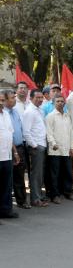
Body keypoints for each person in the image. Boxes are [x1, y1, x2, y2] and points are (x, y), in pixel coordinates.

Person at [46, 94, 73, 203]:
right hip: (55, 150)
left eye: (62, 101)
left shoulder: (67, 116)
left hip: (67, 149)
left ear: (64, 103)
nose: (60, 103)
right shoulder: (50, 116)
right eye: (58, 101)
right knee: (55, 173)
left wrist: (72, 147)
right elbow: (49, 133)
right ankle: (55, 195)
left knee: (68, 172)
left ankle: (68, 192)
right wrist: (53, 143)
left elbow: (71, 132)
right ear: (54, 103)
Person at [3, 90, 30, 209]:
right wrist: (14, 151)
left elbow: (18, 129)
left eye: (14, 97)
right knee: (8, 179)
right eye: (12, 98)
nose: (14, 99)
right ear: (5, 100)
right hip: (7, 149)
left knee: (19, 175)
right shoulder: (3, 113)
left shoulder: (15, 112)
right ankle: (7, 206)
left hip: (19, 147)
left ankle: (22, 201)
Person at [23, 89, 48, 207]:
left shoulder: (40, 110)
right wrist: (34, 145)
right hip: (36, 147)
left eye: (41, 97)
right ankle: (35, 199)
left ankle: (39, 197)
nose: (40, 100)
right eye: (37, 97)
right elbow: (26, 132)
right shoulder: (29, 112)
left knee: (40, 174)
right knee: (36, 174)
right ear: (31, 98)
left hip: (42, 145)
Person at [0, 91, 20, 223]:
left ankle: (6, 210)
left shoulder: (6, 114)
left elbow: (10, 134)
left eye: (2, 100)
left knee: (7, 185)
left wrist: (15, 152)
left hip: (7, 155)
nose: (1, 103)